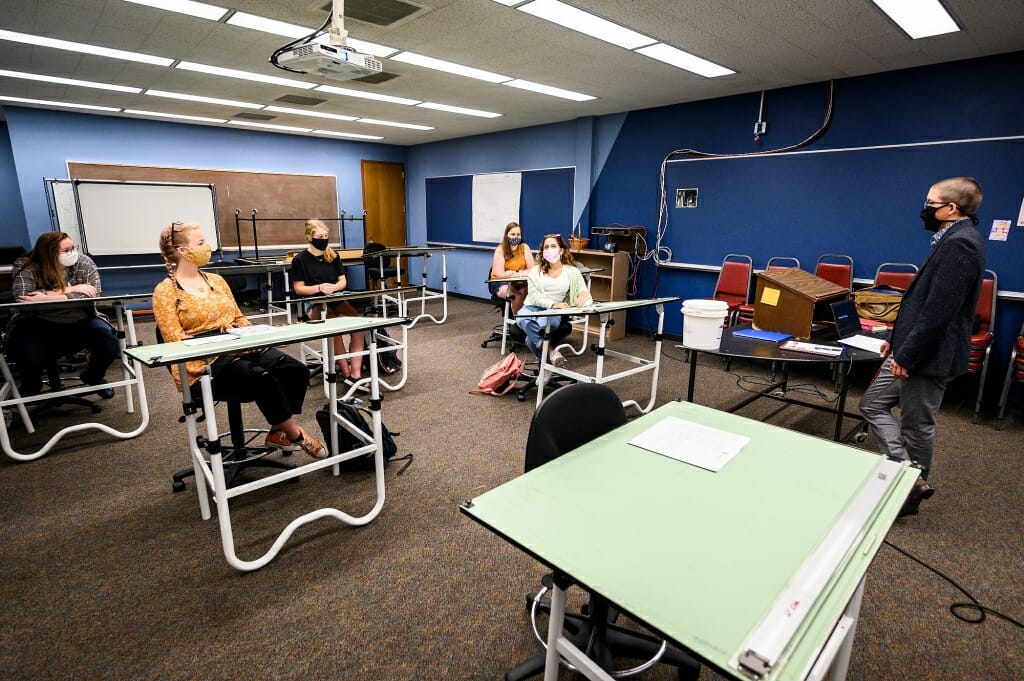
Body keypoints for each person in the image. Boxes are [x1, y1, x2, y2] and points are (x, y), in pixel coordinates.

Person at [859, 177, 986, 517]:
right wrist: (894, 342)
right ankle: (910, 476)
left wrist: (908, 355)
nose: (924, 207)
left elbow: (938, 311)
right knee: (872, 405)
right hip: (909, 350)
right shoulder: (948, 238)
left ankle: (906, 497)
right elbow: (920, 302)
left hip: (926, 357)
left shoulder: (962, 244)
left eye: (930, 202)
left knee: (916, 426)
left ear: (950, 209)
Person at [153, 222, 326, 459]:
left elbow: (238, 318)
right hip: (203, 363)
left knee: (294, 370)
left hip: (237, 345)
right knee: (263, 380)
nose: (208, 247)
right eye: (201, 243)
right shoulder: (165, 292)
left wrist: (254, 337)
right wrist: (231, 350)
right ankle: (295, 434)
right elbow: (176, 344)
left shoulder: (217, 281)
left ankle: (277, 431)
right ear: (182, 251)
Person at [6, 231, 120, 398]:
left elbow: (93, 294)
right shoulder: (26, 265)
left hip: (81, 319)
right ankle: (32, 385)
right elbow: (23, 297)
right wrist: (71, 289)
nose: (72, 253)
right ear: (48, 253)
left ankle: (93, 378)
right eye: (66, 250)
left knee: (110, 343)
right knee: (26, 352)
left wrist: (45, 297)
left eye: (73, 248)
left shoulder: (83, 262)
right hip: (38, 323)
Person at [289, 219, 366, 389]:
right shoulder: (300, 260)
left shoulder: (333, 255)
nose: (324, 239)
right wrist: (319, 287)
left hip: (335, 299)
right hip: (314, 303)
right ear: (309, 237)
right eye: (319, 236)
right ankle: (346, 372)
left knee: (359, 330)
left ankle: (356, 374)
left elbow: (342, 282)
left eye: (326, 236)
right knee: (335, 332)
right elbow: (299, 289)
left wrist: (333, 288)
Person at [518, 234, 592, 367]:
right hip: (533, 306)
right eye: (546, 247)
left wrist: (580, 304)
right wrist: (552, 303)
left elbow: (585, 295)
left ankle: (545, 364)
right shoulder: (535, 271)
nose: (549, 250)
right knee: (521, 317)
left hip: (555, 310)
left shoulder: (572, 272)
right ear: (542, 252)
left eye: (553, 246)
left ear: (561, 250)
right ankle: (552, 354)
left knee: (531, 339)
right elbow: (534, 296)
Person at [489, 222, 535, 314]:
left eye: (518, 234)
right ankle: (516, 322)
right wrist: (511, 274)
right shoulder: (500, 249)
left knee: (531, 293)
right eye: (513, 234)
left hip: (520, 282)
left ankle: (525, 320)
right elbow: (499, 275)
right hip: (500, 283)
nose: (516, 237)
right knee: (516, 295)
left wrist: (518, 274)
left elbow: (533, 270)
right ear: (507, 236)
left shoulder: (524, 247)